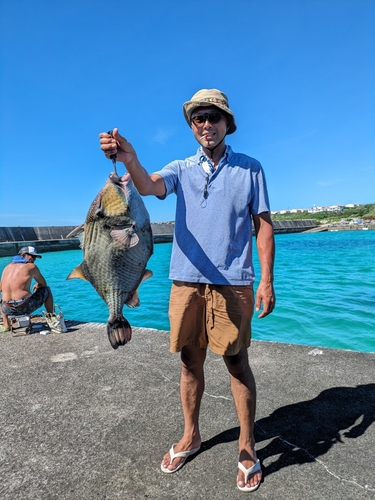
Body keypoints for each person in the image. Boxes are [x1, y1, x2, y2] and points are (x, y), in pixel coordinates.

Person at [99, 89, 275, 492]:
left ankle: (247, 446)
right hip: (186, 282)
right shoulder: (181, 168)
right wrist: (129, 158)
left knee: (236, 363)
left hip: (234, 282)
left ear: (228, 124)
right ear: (192, 126)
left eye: (214, 117)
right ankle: (191, 435)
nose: (207, 124)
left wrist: (266, 279)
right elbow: (147, 185)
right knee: (189, 363)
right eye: (199, 118)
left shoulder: (250, 169)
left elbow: (263, 224)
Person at [1, 246, 54, 331]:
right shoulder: (31, 266)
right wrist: (39, 284)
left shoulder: (7, 267)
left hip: (7, 308)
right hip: (25, 306)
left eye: (35, 257)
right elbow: (44, 284)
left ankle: (6, 325)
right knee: (47, 290)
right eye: (32, 257)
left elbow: (1, 288)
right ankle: (52, 319)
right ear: (23, 255)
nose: (34, 259)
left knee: (2, 295)